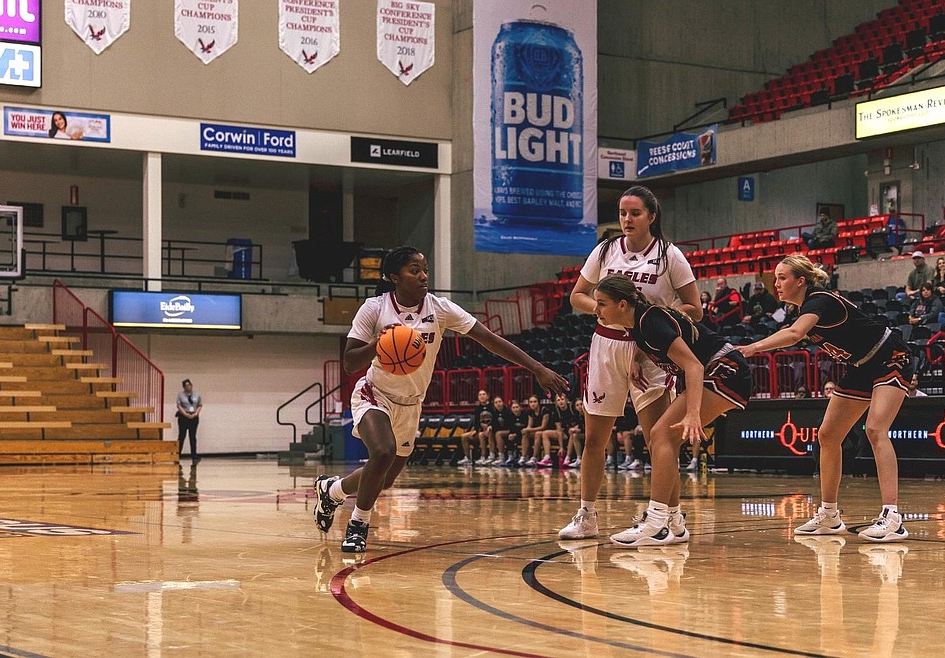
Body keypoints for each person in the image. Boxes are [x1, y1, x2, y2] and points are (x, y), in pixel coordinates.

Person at [313, 246, 567, 552]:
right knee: (382, 452)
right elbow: (351, 362)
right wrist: (380, 345)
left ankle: (333, 490)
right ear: (394, 277)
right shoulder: (374, 308)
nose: (423, 277)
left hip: (411, 402)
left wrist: (537, 368)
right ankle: (358, 525)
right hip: (374, 394)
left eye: (425, 270)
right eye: (414, 271)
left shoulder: (441, 308)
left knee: (386, 477)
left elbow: (491, 340)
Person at [558, 185, 702, 542]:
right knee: (594, 439)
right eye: (623, 213)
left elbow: (695, 309)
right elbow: (576, 295)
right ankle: (587, 515)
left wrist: (652, 319)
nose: (626, 219)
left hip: (652, 351)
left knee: (660, 441)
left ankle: (673, 519)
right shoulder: (605, 250)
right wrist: (607, 308)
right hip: (607, 345)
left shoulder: (669, 255)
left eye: (635, 213)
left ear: (652, 217)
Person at [738, 255, 913, 542]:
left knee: (875, 429)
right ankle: (829, 516)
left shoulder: (819, 300)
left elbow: (795, 335)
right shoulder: (807, 308)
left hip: (891, 356)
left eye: (783, 278)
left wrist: (753, 347)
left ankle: (892, 517)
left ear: (801, 281)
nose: (776, 284)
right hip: (861, 365)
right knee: (828, 435)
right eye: (775, 278)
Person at [591, 276, 750, 546]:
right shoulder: (640, 324)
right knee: (660, 438)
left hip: (724, 370)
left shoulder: (649, 322)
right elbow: (661, 341)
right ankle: (674, 524)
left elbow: (694, 366)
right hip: (721, 370)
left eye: (601, 304)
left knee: (661, 435)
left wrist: (692, 412)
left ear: (621, 304)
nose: (596, 311)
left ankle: (655, 523)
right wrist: (637, 360)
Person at [176, 379, 202, 462]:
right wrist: (185, 414)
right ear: (184, 387)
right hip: (184, 417)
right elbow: (179, 406)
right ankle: (178, 454)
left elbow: (200, 405)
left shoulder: (197, 394)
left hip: (194, 416)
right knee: (181, 436)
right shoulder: (180, 395)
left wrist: (196, 414)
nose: (188, 387)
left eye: (189, 385)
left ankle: (194, 455)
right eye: (186, 385)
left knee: (193, 436)